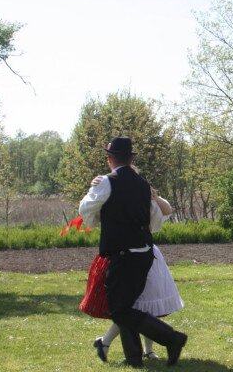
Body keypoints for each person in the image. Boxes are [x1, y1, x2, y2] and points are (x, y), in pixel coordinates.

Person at [78, 136, 187, 367]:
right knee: (127, 306)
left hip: (123, 254)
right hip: (144, 254)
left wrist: (93, 189)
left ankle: (172, 338)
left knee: (119, 309)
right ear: (130, 158)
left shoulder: (107, 182)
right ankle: (134, 358)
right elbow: (156, 218)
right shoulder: (144, 185)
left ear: (110, 159)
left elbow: (86, 208)